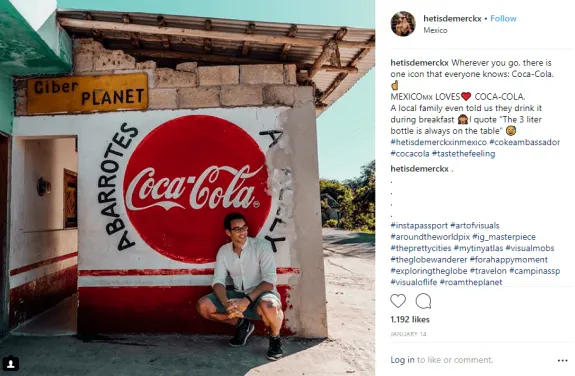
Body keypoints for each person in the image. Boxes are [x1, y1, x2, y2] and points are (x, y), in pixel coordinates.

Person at [196, 212, 284, 361]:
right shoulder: (224, 251)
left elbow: (269, 281)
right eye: (237, 229)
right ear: (228, 232)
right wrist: (226, 303)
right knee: (203, 306)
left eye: (244, 227)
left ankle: (275, 339)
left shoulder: (261, 246)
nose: (242, 232)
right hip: (238, 294)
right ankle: (242, 325)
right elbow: (218, 281)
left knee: (269, 305)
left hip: (261, 294)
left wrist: (246, 301)